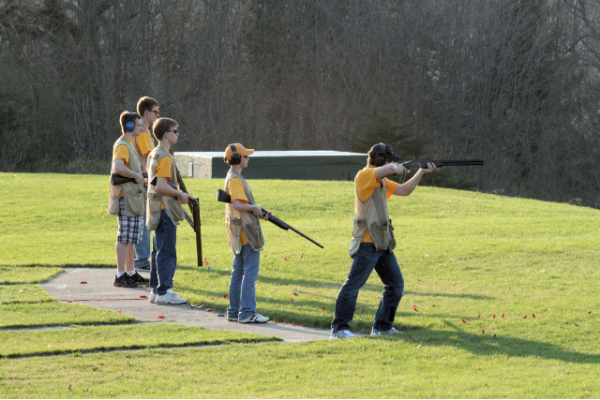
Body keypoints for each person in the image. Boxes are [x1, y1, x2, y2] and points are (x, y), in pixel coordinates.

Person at [330, 143, 438, 339]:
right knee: (353, 285)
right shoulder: (365, 175)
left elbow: (405, 190)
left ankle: (382, 326)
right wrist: (400, 167)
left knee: (395, 285)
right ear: (380, 160)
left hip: (382, 242)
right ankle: (339, 329)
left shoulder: (381, 181)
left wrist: (421, 171)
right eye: (389, 159)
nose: (392, 163)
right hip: (367, 242)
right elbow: (390, 169)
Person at [146, 117, 193, 305]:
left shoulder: (154, 153)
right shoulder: (164, 156)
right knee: (166, 252)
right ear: (166, 134)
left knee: (158, 250)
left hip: (156, 208)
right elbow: (162, 186)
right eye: (175, 131)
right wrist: (180, 195)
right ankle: (164, 291)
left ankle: (155, 290)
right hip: (165, 209)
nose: (177, 134)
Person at [223, 143, 270, 323]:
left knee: (238, 272)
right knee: (249, 273)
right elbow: (238, 205)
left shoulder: (234, 177)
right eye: (245, 156)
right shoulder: (235, 179)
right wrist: (255, 208)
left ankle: (235, 311)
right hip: (246, 232)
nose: (247, 158)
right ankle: (247, 312)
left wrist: (259, 211)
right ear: (237, 159)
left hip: (239, 230)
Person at [108, 111, 151, 288]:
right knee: (124, 237)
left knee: (131, 237)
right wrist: (135, 175)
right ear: (130, 126)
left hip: (133, 198)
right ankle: (120, 274)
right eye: (138, 124)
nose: (141, 127)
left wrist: (142, 177)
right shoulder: (123, 145)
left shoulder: (129, 144)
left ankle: (130, 272)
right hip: (126, 198)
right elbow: (118, 168)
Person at [133, 96, 160, 271]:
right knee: (144, 221)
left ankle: (141, 259)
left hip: (144, 180)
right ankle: (142, 260)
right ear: (146, 112)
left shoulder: (145, 132)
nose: (158, 115)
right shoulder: (142, 133)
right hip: (143, 180)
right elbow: (150, 156)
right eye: (155, 112)